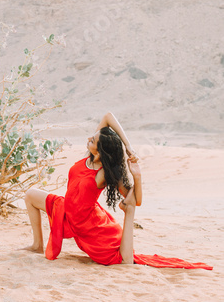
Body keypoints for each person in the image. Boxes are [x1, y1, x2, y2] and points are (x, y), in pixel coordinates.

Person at [23, 112, 212, 270]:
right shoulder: (90, 155)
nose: (90, 137)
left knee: (121, 260)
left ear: (101, 150)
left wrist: (136, 176)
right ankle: (37, 245)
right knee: (30, 195)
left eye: (93, 140)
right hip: (66, 207)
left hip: (88, 226)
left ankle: (122, 241)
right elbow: (108, 116)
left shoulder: (104, 173)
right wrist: (128, 146)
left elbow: (135, 201)